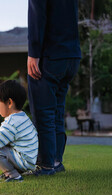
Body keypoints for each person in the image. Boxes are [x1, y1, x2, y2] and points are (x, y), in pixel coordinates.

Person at [27, 0, 81, 175]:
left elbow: (37, 16)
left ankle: (46, 165)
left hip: (50, 55)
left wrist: (33, 53)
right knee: (57, 112)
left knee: (44, 113)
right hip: (71, 56)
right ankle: (56, 161)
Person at [0, 80, 38, 182]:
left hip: (23, 161)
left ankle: (13, 175)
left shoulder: (12, 122)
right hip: (29, 160)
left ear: (9, 103)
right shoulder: (23, 117)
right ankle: (12, 172)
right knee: (3, 145)